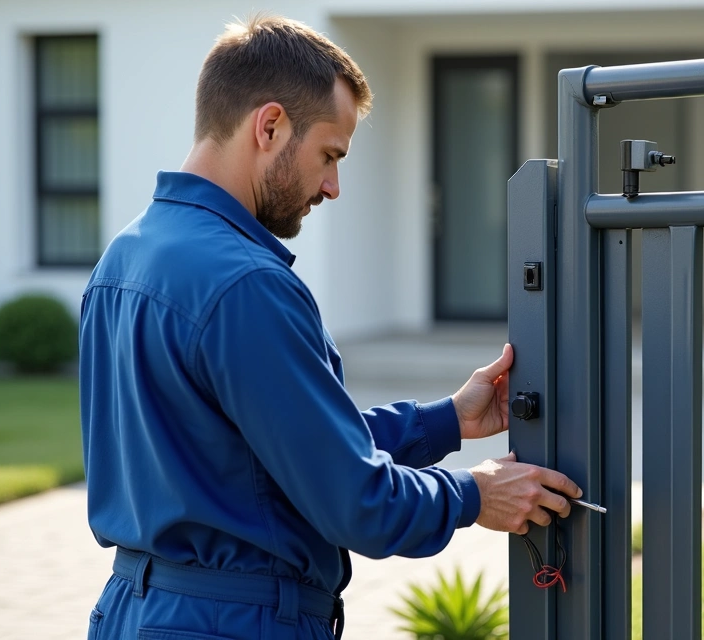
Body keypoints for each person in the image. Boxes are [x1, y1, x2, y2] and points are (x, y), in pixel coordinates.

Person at [78, 14, 581, 640]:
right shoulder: (246, 284)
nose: (333, 186)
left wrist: (448, 420)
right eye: (329, 155)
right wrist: (475, 495)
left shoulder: (122, 259)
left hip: (131, 611)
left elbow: (266, 455)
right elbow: (354, 500)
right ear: (269, 126)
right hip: (232, 624)